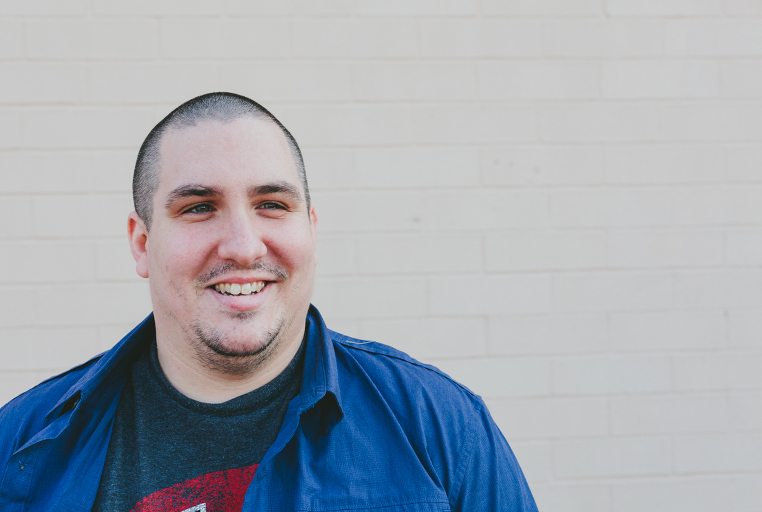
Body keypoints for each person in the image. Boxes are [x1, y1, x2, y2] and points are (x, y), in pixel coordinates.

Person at [0, 93, 538, 512]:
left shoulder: (437, 427)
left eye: (272, 204)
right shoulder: (20, 448)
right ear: (143, 244)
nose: (242, 245)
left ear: (311, 231)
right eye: (198, 207)